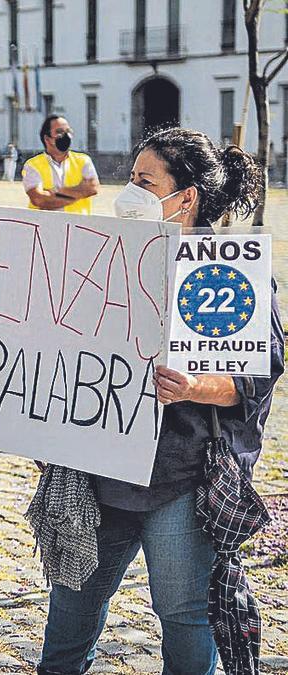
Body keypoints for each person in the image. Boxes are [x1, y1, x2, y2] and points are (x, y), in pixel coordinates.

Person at [35, 127, 284, 674]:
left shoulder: (227, 270)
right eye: (131, 179)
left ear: (185, 197)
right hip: (99, 470)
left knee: (185, 617)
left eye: (145, 182)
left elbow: (258, 372)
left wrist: (195, 387)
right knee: (70, 613)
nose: (130, 192)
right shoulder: (108, 254)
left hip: (178, 474)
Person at [22, 115, 99, 213]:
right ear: (47, 139)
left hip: (77, 225)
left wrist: (56, 192)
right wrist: (77, 194)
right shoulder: (33, 165)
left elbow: (92, 188)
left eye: (68, 131)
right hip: (45, 225)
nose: (65, 136)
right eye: (59, 132)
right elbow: (39, 199)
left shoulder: (83, 160)